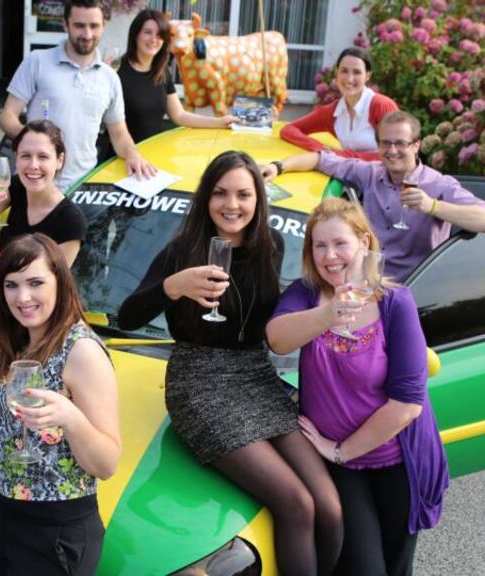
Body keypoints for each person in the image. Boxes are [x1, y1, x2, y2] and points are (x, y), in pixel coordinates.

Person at [117, 150, 343, 576]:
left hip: (255, 376)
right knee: (295, 504)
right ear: (206, 198)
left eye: (243, 194)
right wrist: (173, 285)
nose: (231, 204)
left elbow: (271, 323)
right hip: (197, 381)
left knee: (328, 507)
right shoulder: (182, 249)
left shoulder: (270, 246)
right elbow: (127, 316)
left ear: (258, 198)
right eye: (220, 193)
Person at [266, 197, 449, 576]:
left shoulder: (394, 302)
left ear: (364, 244)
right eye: (319, 245)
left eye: (340, 244)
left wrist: (339, 450)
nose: (329, 256)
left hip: (399, 461)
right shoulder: (307, 294)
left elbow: (408, 404)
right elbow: (277, 339)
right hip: (343, 469)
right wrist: (326, 315)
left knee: (398, 567)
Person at [0, 233, 120, 575]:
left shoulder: (81, 350)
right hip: (8, 514)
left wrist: (71, 417)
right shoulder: (16, 344)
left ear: (60, 281)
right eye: (11, 285)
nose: (23, 297)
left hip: (57, 529)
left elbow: (106, 464)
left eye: (35, 283)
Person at [262, 110, 485, 281]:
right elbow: (320, 159)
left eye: (400, 143)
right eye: (385, 143)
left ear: (416, 145)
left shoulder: (439, 185)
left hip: (409, 289)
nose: (392, 151)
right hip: (363, 284)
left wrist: (432, 206)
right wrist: (278, 167)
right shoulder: (371, 173)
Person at [0, 0, 156, 191]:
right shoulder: (37, 61)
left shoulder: (110, 77)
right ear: (66, 25)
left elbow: (119, 133)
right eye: (79, 26)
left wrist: (133, 154)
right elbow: (7, 117)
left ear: (103, 26)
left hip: (82, 188)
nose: (87, 34)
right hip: (34, 184)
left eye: (94, 26)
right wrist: (36, 143)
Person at [96, 9, 237, 162]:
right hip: (120, 160)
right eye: (147, 32)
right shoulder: (116, 71)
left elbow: (179, 115)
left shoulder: (162, 73)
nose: (153, 39)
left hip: (155, 157)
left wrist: (219, 122)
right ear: (135, 34)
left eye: (159, 35)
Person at [0, 121, 87, 280]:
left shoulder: (71, 221)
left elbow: (51, 284)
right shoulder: (17, 187)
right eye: (26, 156)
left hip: (27, 299)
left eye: (43, 157)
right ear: (17, 158)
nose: (33, 165)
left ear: (59, 160)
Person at [280, 47, 398, 160]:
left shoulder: (382, 105)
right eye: (344, 71)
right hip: (348, 175)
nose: (349, 79)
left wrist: (343, 156)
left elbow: (395, 154)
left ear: (367, 76)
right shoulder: (332, 112)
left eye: (357, 72)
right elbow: (289, 130)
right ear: (336, 72)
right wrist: (322, 149)